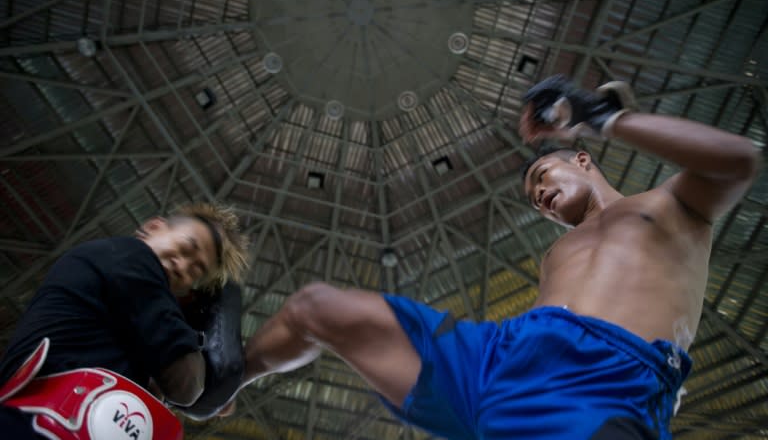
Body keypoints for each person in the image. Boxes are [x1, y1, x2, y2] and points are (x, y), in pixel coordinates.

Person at [236, 77, 760, 440]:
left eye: (542, 177)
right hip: (501, 358)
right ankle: (221, 386)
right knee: (317, 309)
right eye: (533, 196)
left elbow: (738, 160)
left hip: (602, 381)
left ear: (582, 158)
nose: (538, 196)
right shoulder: (560, 250)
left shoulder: (669, 206)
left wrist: (599, 116)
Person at [0, 202, 249, 439]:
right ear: (153, 227)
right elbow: (186, 388)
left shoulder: (131, 316)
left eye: (195, 271)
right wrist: (224, 303)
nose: (182, 266)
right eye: (185, 247)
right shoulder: (133, 257)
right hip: (35, 427)